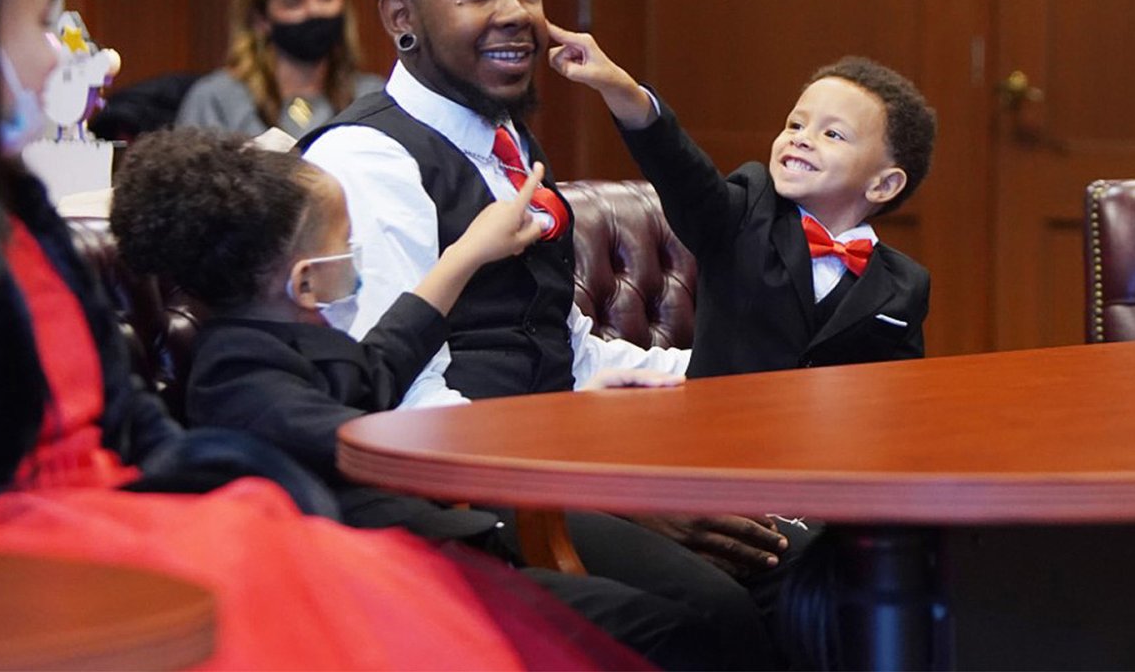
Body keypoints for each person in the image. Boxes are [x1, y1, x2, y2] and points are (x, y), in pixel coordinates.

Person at [0, 0, 647, 671]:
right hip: (19, 552)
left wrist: (217, 489)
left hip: (118, 506)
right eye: (41, 21)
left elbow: (130, 419)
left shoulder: (21, 214)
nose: (60, 55)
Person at [300, 0, 808, 668]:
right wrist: (612, 492)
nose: (518, 14)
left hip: (551, 465)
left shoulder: (503, 139)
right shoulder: (366, 160)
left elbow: (564, 346)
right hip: (468, 501)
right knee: (717, 611)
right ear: (402, 18)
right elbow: (402, 400)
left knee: (810, 556)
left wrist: (720, 379)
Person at [109, 128, 715, 667]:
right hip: (377, 587)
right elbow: (368, 442)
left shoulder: (282, 341)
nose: (357, 257)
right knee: (677, 632)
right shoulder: (235, 374)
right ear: (305, 281)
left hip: (430, 555)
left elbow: (380, 365)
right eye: (348, 243)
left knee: (688, 621)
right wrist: (566, 427)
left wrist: (465, 256)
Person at [550, 29, 935, 377]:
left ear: (884, 185)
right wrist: (622, 91)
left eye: (832, 134)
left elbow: (905, 392)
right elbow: (679, 168)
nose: (801, 139)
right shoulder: (746, 211)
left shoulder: (905, 286)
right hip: (720, 426)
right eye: (795, 124)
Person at [177, 0, 383, 137]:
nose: (314, 10)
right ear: (260, 18)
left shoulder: (373, 99)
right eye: (294, 1)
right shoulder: (217, 100)